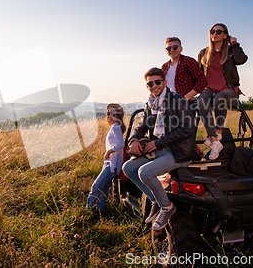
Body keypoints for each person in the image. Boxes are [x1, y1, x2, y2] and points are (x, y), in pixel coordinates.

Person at [122, 67, 196, 231]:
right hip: (159, 151)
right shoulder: (150, 104)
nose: (154, 86)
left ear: (164, 82)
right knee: (128, 167)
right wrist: (134, 139)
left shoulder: (178, 100)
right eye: (150, 83)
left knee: (145, 172)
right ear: (147, 86)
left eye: (157, 82)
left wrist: (158, 144)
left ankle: (167, 206)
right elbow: (143, 125)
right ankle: (155, 200)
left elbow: (187, 129)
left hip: (178, 152)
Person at [197, 23, 248, 160]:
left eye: (219, 32)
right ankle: (214, 139)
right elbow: (198, 75)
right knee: (201, 100)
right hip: (208, 88)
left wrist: (235, 44)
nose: (215, 34)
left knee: (219, 98)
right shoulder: (204, 53)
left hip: (229, 89)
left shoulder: (231, 51)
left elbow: (241, 60)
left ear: (225, 35)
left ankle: (218, 131)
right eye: (212, 31)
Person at [86, 103, 126, 214]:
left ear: (118, 116)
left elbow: (121, 144)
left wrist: (109, 151)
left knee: (96, 186)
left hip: (112, 166)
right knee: (103, 189)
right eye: (108, 113)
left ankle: (87, 210)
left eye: (113, 114)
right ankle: (101, 211)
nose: (109, 116)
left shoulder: (116, 127)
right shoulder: (113, 127)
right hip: (108, 163)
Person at [161, 37, 207, 101]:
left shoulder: (189, 61)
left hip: (186, 104)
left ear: (181, 49)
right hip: (169, 103)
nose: (172, 50)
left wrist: (185, 98)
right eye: (168, 48)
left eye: (175, 47)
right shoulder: (164, 67)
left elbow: (202, 81)